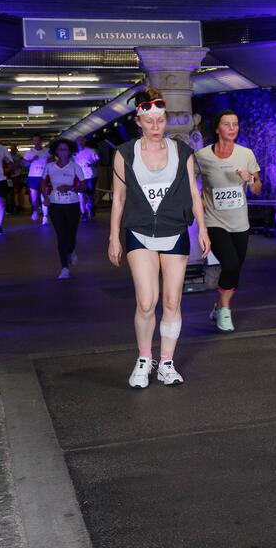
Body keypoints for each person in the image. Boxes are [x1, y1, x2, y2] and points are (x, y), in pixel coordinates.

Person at [109, 88, 210, 388]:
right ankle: (143, 359)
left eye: (161, 120)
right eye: (149, 121)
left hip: (174, 231)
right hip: (138, 231)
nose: (156, 127)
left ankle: (166, 362)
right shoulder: (124, 154)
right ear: (138, 121)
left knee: (172, 300)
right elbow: (118, 199)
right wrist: (114, 237)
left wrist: (203, 229)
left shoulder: (182, 152)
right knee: (146, 301)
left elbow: (194, 192)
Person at [195, 110, 262, 333]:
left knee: (235, 271)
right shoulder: (203, 156)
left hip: (240, 222)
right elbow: (188, 179)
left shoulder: (246, 154)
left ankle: (218, 306)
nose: (232, 128)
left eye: (235, 124)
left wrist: (251, 178)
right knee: (230, 264)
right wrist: (198, 201)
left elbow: (258, 187)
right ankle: (225, 311)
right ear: (217, 128)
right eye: (227, 124)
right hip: (215, 222)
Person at [42, 139, 85, 279]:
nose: (62, 152)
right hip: (55, 205)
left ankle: (71, 251)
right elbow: (43, 184)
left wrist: (71, 187)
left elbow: (84, 185)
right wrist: (46, 197)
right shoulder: (49, 167)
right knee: (61, 236)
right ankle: (64, 268)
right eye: (60, 149)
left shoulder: (75, 167)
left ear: (70, 151)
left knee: (71, 235)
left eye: (65, 149)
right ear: (55, 151)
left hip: (72, 204)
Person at [24, 133, 50, 224]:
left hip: (44, 176)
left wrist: (50, 160)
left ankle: (45, 216)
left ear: (41, 141)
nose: (37, 142)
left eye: (38, 140)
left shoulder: (47, 151)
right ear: (33, 141)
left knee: (44, 196)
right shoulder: (29, 152)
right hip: (33, 177)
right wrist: (31, 160)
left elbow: (54, 161)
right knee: (34, 198)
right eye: (35, 140)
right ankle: (35, 210)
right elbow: (24, 165)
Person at [74, 135, 100, 221]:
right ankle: (83, 214)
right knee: (81, 195)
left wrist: (92, 164)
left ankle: (90, 208)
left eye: (82, 140)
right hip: (80, 178)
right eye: (79, 141)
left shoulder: (91, 151)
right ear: (76, 142)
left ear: (84, 141)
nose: (80, 142)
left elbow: (97, 162)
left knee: (89, 195)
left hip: (91, 176)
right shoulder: (74, 154)